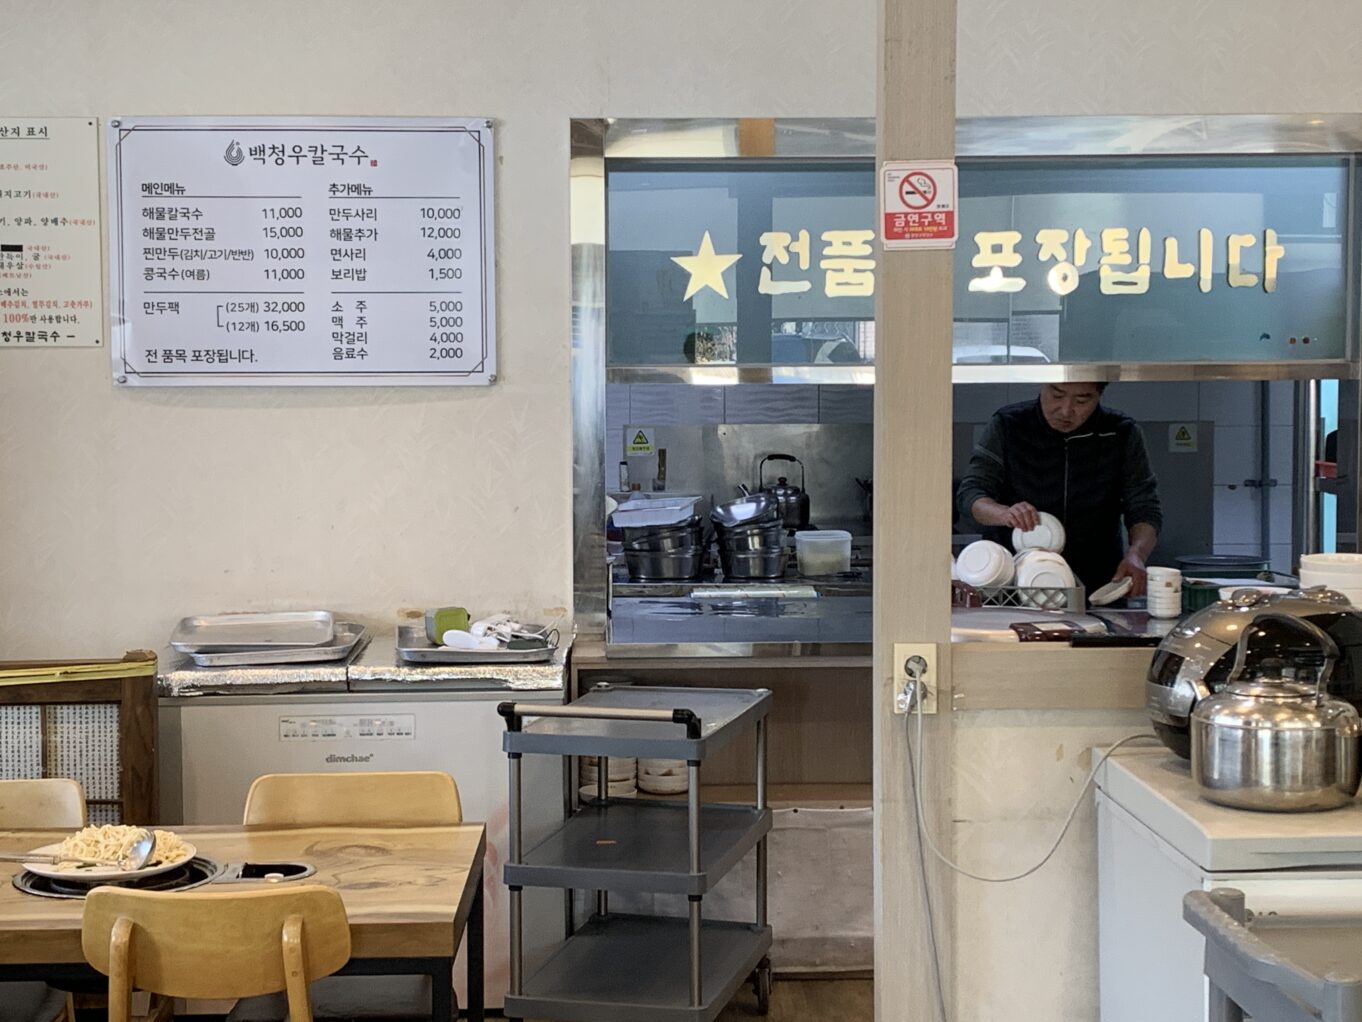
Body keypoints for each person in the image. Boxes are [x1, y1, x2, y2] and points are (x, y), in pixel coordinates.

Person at [956, 383, 1162, 597]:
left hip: (1096, 585)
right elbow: (970, 494)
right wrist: (1004, 513)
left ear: (1099, 396)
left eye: (1082, 400)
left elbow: (1144, 507)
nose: (1066, 410)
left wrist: (1137, 554)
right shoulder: (1009, 425)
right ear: (1042, 386)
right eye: (1057, 395)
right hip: (1012, 585)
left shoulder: (1120, 432)